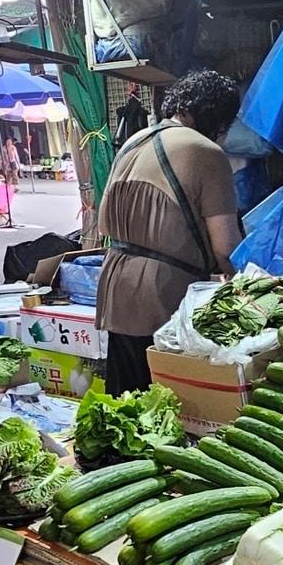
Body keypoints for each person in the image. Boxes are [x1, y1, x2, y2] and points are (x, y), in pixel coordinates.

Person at [95, 69, 242, 394]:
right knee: (168, 407)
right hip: (163, 297)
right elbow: (226, 247)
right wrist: (245, 289)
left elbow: (103, 223)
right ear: (218, 116)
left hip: (116, 291)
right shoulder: (207, 152)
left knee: (126, 404)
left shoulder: (133, 141)